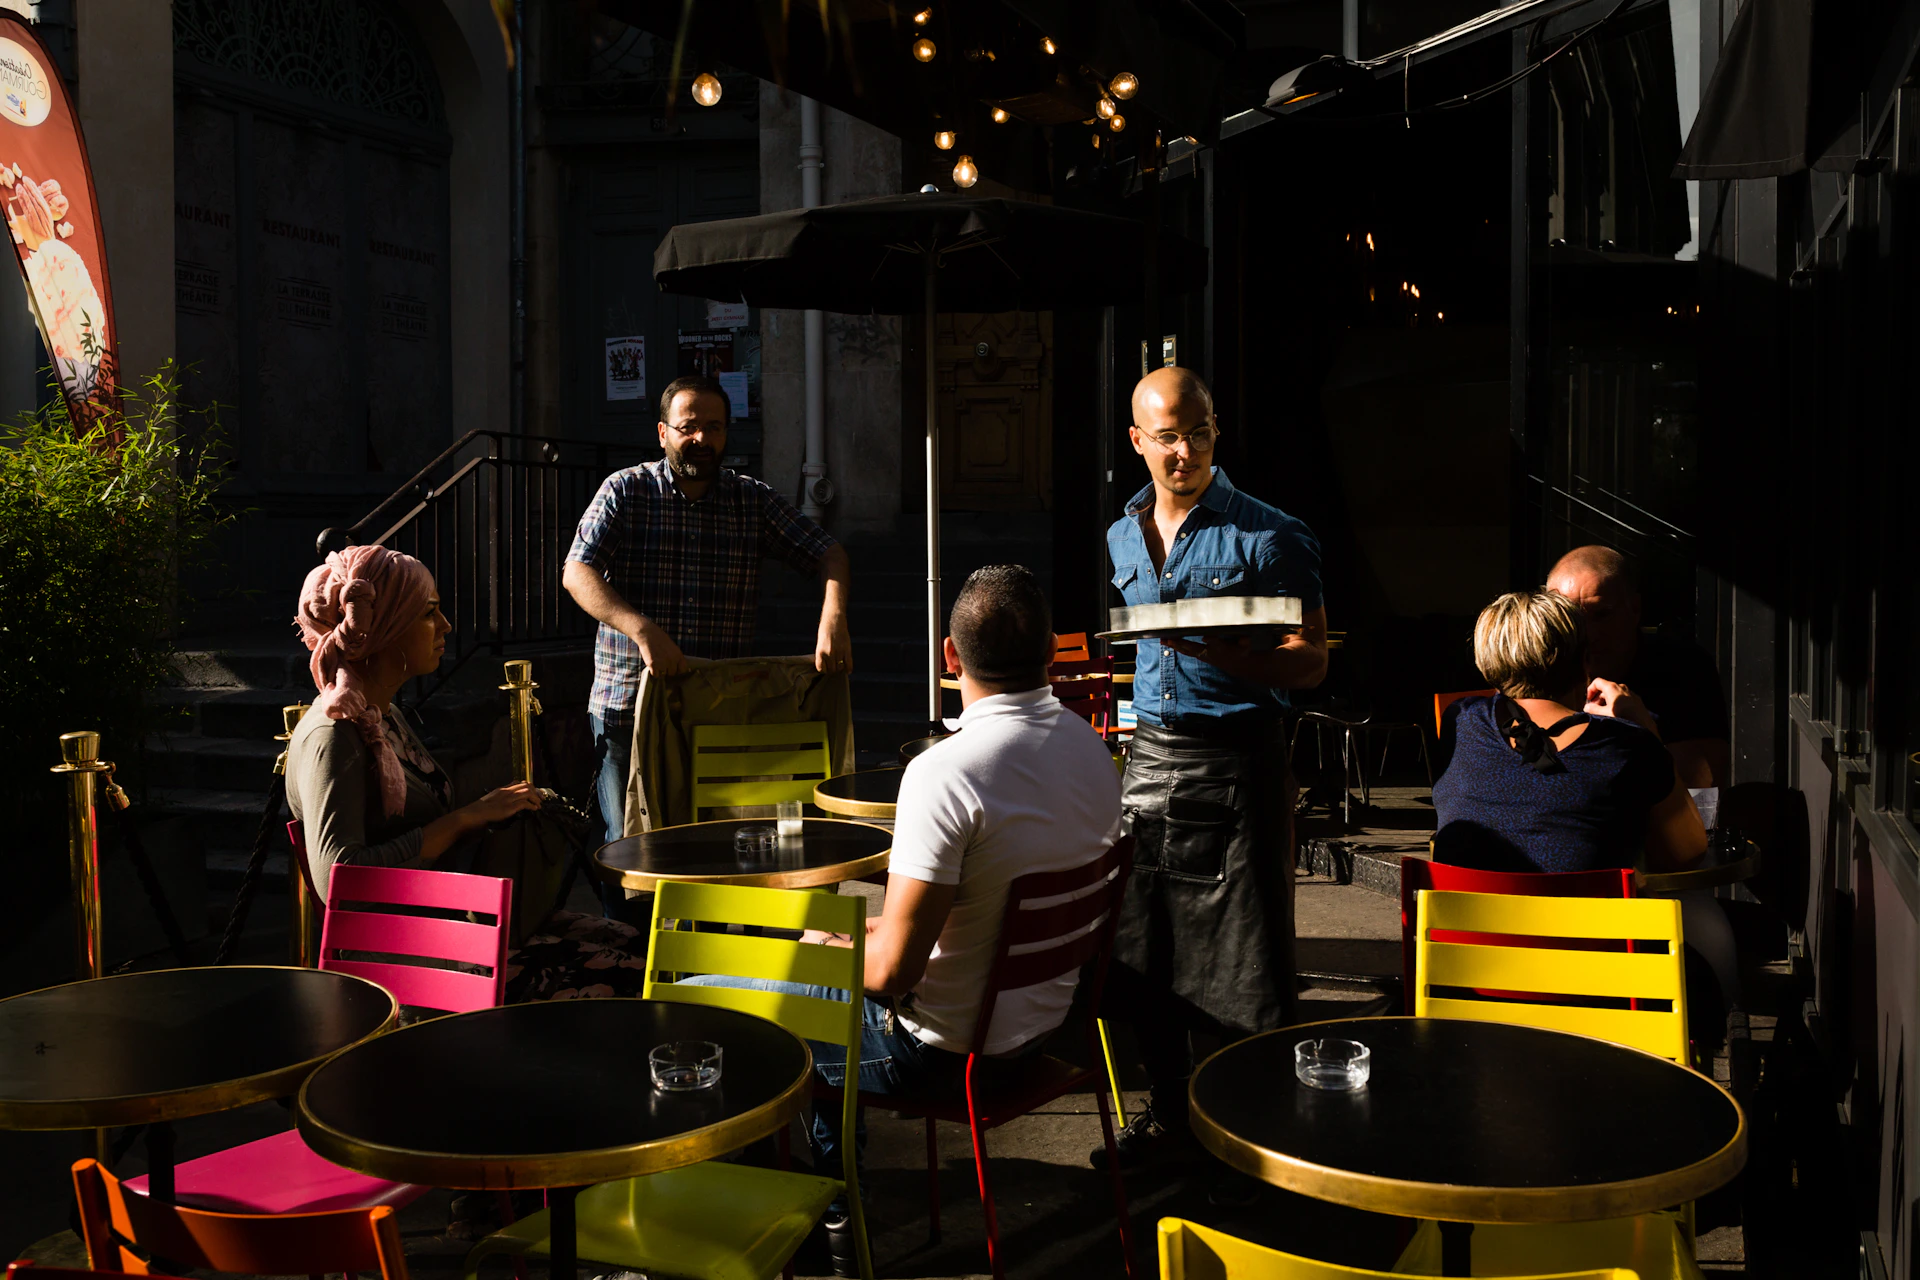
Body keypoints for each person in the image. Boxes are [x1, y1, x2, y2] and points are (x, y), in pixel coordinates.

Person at [680, 564, 1123, 1277]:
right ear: (1050, 650)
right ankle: (831, 1219)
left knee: (699, 1006)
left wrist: (832, 949)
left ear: (950, 657)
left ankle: (795, 1223)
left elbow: (890, 974)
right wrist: (845, 941)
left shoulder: (947, 773)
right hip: (1039, 1030)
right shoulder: (1091, 749)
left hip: (941, 1055)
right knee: (819, 975)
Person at [1096, 366, 1329, 1184]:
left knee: (1246, 969)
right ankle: (1169, 1113)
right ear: (1139, 441)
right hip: (1150, 762)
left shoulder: (1271, 535)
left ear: (1215, 430)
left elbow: (1311, 661)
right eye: (1167, 437)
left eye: (1198, 433)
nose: (1185, 452)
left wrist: (1229, 655)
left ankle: (1254, 1139)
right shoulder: (1122, 534)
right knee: (1145, 956)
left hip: (1239, 765)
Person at [288, 545, 648, 1002]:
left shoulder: (383, 716)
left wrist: (491, 812)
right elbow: (341, 879)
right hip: (402, 960)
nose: (445, 626)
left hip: (445, 921)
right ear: (385, 628)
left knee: (635, 943)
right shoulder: (334, 735)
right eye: (428, 613)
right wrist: (465, 818)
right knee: (631, 976)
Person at [562, 374, 853, 853]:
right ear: (663, 433)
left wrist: (833, 620)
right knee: (631, 845)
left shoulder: (751, 500)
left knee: (715, 843)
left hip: (716, 709)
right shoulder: (625, 491)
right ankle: (633, 908)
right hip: (627, 705)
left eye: (714, 428)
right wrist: (642, 630)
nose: (702, 438)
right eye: (689, 427)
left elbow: (829, 553)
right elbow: (577, 572)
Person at [1431, 588, 1706, 874]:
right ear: (1584, 660)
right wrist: (1644, 725)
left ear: (1488, 660)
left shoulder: (1459, 720)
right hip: (1586, 906)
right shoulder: (1628, 746)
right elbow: (1687, 855)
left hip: (1466, 904)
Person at [1546, 545, 1730, 788]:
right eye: (1571, 618)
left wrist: (1640, 729)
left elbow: (1703, 790)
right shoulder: (1541, 670)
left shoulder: (1681, 668)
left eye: (1602, 614)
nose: (1588, 634)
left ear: (1634, 609)